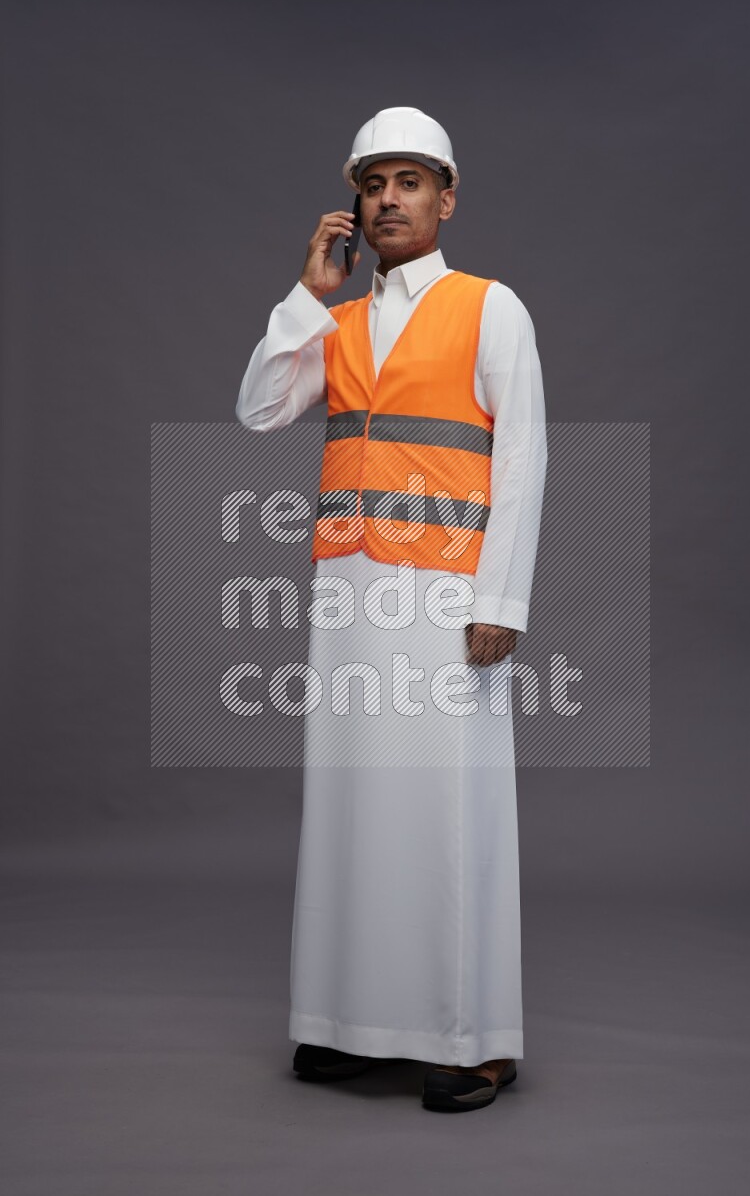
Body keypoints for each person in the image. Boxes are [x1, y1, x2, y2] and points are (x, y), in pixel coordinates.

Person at [236, 107, 548, 1112]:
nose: (387, 200)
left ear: (445, 197)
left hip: (451, 594)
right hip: (350, 592)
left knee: (449, 806)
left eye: (408, 181)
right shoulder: (336, 322)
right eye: (373, 184)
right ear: (355, 206)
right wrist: (304, 294)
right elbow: (257, 410)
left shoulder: (489, 306)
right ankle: (346, 1023)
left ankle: (475, 1036)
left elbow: (524, 460)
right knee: (352, 802)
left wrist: (502, 597)